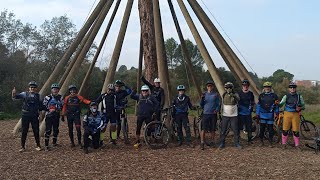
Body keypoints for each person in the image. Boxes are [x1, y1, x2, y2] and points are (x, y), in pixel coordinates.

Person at [12, 81, 44, 152]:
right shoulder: (24, 94)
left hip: (34, 115)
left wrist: (41, 114)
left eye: (34, 87)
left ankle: (38, 145)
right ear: (29, 88)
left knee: (36, 130)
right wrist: (13, 93)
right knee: (24, 130)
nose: (32, 88)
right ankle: (22, 146)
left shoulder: (39, 96)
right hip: (25, 114)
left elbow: (41, 106)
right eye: (31, 87)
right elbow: (15, 97)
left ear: (36, 89)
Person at [279, 82, 305, 150]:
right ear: (289, 89)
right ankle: (284, 144)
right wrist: (277, 103)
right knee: (285, 130)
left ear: (295, 88)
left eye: (294, 87)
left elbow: (303, 106)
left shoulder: (299, 96)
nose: (292, 88)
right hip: (287, 114)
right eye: (291, 87)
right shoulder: (286, 96)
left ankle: (297, 145)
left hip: (295, 115)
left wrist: (300, 108)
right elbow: (281, 104)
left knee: (296, 131)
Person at [218, 82, 241, 150]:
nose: (228, 89)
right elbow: (221, 103)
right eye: (227, 87)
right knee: (223, 130)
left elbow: (238, 99)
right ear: (225, 88)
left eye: (230, 87)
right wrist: (219, 112)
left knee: (236, 130)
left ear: (232, 88)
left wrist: (232, 95)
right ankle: (222, 143)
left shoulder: (235, 94)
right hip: (225, 115)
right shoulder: (223, 94)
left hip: (234, 115)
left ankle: (237, 143)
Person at [256, 81, 279, 147]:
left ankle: (270, 142)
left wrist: (277, 113)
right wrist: (257, 114)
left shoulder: (274, 96)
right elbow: (258, 105)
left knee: (270, 129)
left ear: (270, 87)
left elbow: (276, 105)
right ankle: (261, 141)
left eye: (268, 87)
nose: (267, 88)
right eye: (266, 87)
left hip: (270, 115)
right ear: (264, 88)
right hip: (262, 114)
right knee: (262, 129)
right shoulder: (261, 95)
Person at [200, 80, 220, 150]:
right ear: (207, 87)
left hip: (213, 114)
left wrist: (217, 110)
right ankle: (202, 142)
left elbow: (218, 104)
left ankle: (212, 141)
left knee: (213, 129)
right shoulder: (204, 94)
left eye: (211, 86)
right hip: (206, 113)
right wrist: (202, 99)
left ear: (213, 87)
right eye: (208, 86)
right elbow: (201, 105)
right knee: (203, 129)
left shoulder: (215, 94)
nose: (209, 87)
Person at [42, 83, 64, 151]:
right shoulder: (47, 97)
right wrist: (49, 109)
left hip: (56, 115)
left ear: (58, 90)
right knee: (48, 130)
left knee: (56, 129)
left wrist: (60, 112)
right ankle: (46, 145)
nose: (55, 90)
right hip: (49, 115)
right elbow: (43, 106)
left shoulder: (60, 97)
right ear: (51, 90)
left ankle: (54, 143)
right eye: (54, 89)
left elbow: (62, 106)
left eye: (56, 89)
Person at [238, 79, 255, 144]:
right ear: (242, 86)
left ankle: (249, 140)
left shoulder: (251, 93)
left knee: (249, 127)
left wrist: (251, 108)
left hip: (248, 112)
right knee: (239, 127)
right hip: (241, 112)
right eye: (244, 85)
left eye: (247, 85)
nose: (245, 86)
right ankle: (238, 140)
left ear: (248, 86)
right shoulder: (239, 93)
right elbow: (236, 102)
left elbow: (252, 102)